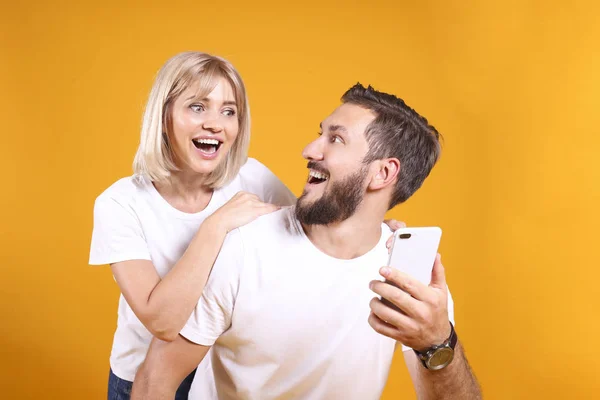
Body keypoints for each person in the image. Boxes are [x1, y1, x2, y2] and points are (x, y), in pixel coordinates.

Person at [131, 83, 482, 399]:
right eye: (320, 134)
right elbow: (156, 380)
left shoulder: (411, 278)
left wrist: (437, 342)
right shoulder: (243, 247)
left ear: (383, 173)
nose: (309, 149)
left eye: (336, 139)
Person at [88, 51, 297, 400]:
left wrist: (374, 230)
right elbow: (163, 322)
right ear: (164, 114)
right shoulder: (120, 203)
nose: (216, 124)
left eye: (228, 111)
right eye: (198, 107)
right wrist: (216, 226)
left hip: (224, 379)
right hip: (146, 380)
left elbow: (313, 236)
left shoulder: (252, 176)